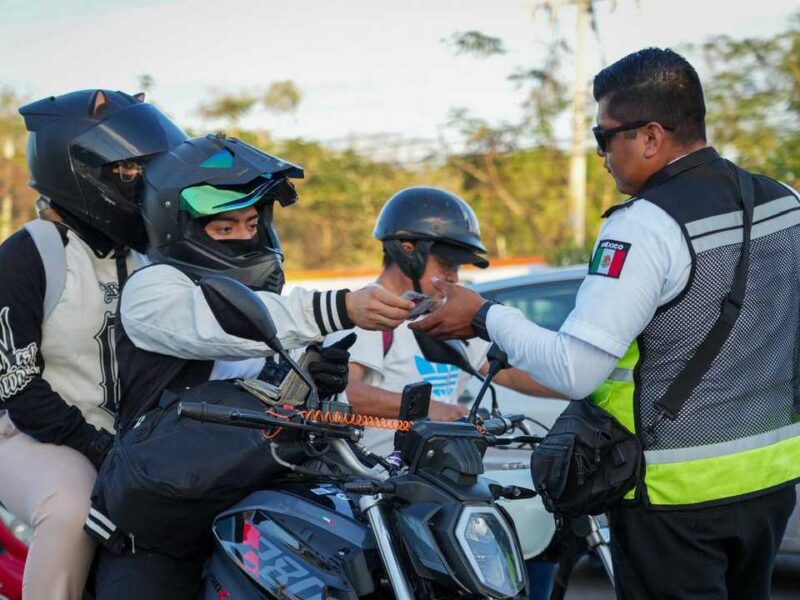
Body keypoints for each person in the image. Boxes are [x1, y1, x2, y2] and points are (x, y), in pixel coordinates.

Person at [410, 47, 800, 600]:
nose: (602, 156)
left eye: (603, 138)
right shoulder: (782, 200)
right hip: (772, 481)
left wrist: (486, 315)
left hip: (674, 495)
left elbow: (575, 371)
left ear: (650, 137)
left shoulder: (645, 227)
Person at [91, 133, 414, 599]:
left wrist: (319, 383)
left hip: (252, 507)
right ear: (180, 227)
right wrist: (338, 307)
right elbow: (214, 325)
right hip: (161, 526)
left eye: (250, 223)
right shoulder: (153, 289)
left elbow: (283, 404)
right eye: (225, 228)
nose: (244, 236)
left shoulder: (271, 308)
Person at [0, 89, 187, 599]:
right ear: (77, 171)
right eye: (126, 171)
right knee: (72, 507)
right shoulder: (28, 253)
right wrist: (99, 449)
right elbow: (16, 384)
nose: (143, 183)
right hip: (30, 436)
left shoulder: (149, 254)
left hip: (131, 438)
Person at [326, 186, 560, 454]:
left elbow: (509, 373)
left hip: (436, 475)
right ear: (408, 252)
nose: (454, 277)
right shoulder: (367, 313)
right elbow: (345, 392)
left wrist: (578, 388)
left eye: (457, 268)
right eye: (446, 265)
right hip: (377, 483)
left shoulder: (444, 318)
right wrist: (430, 408)